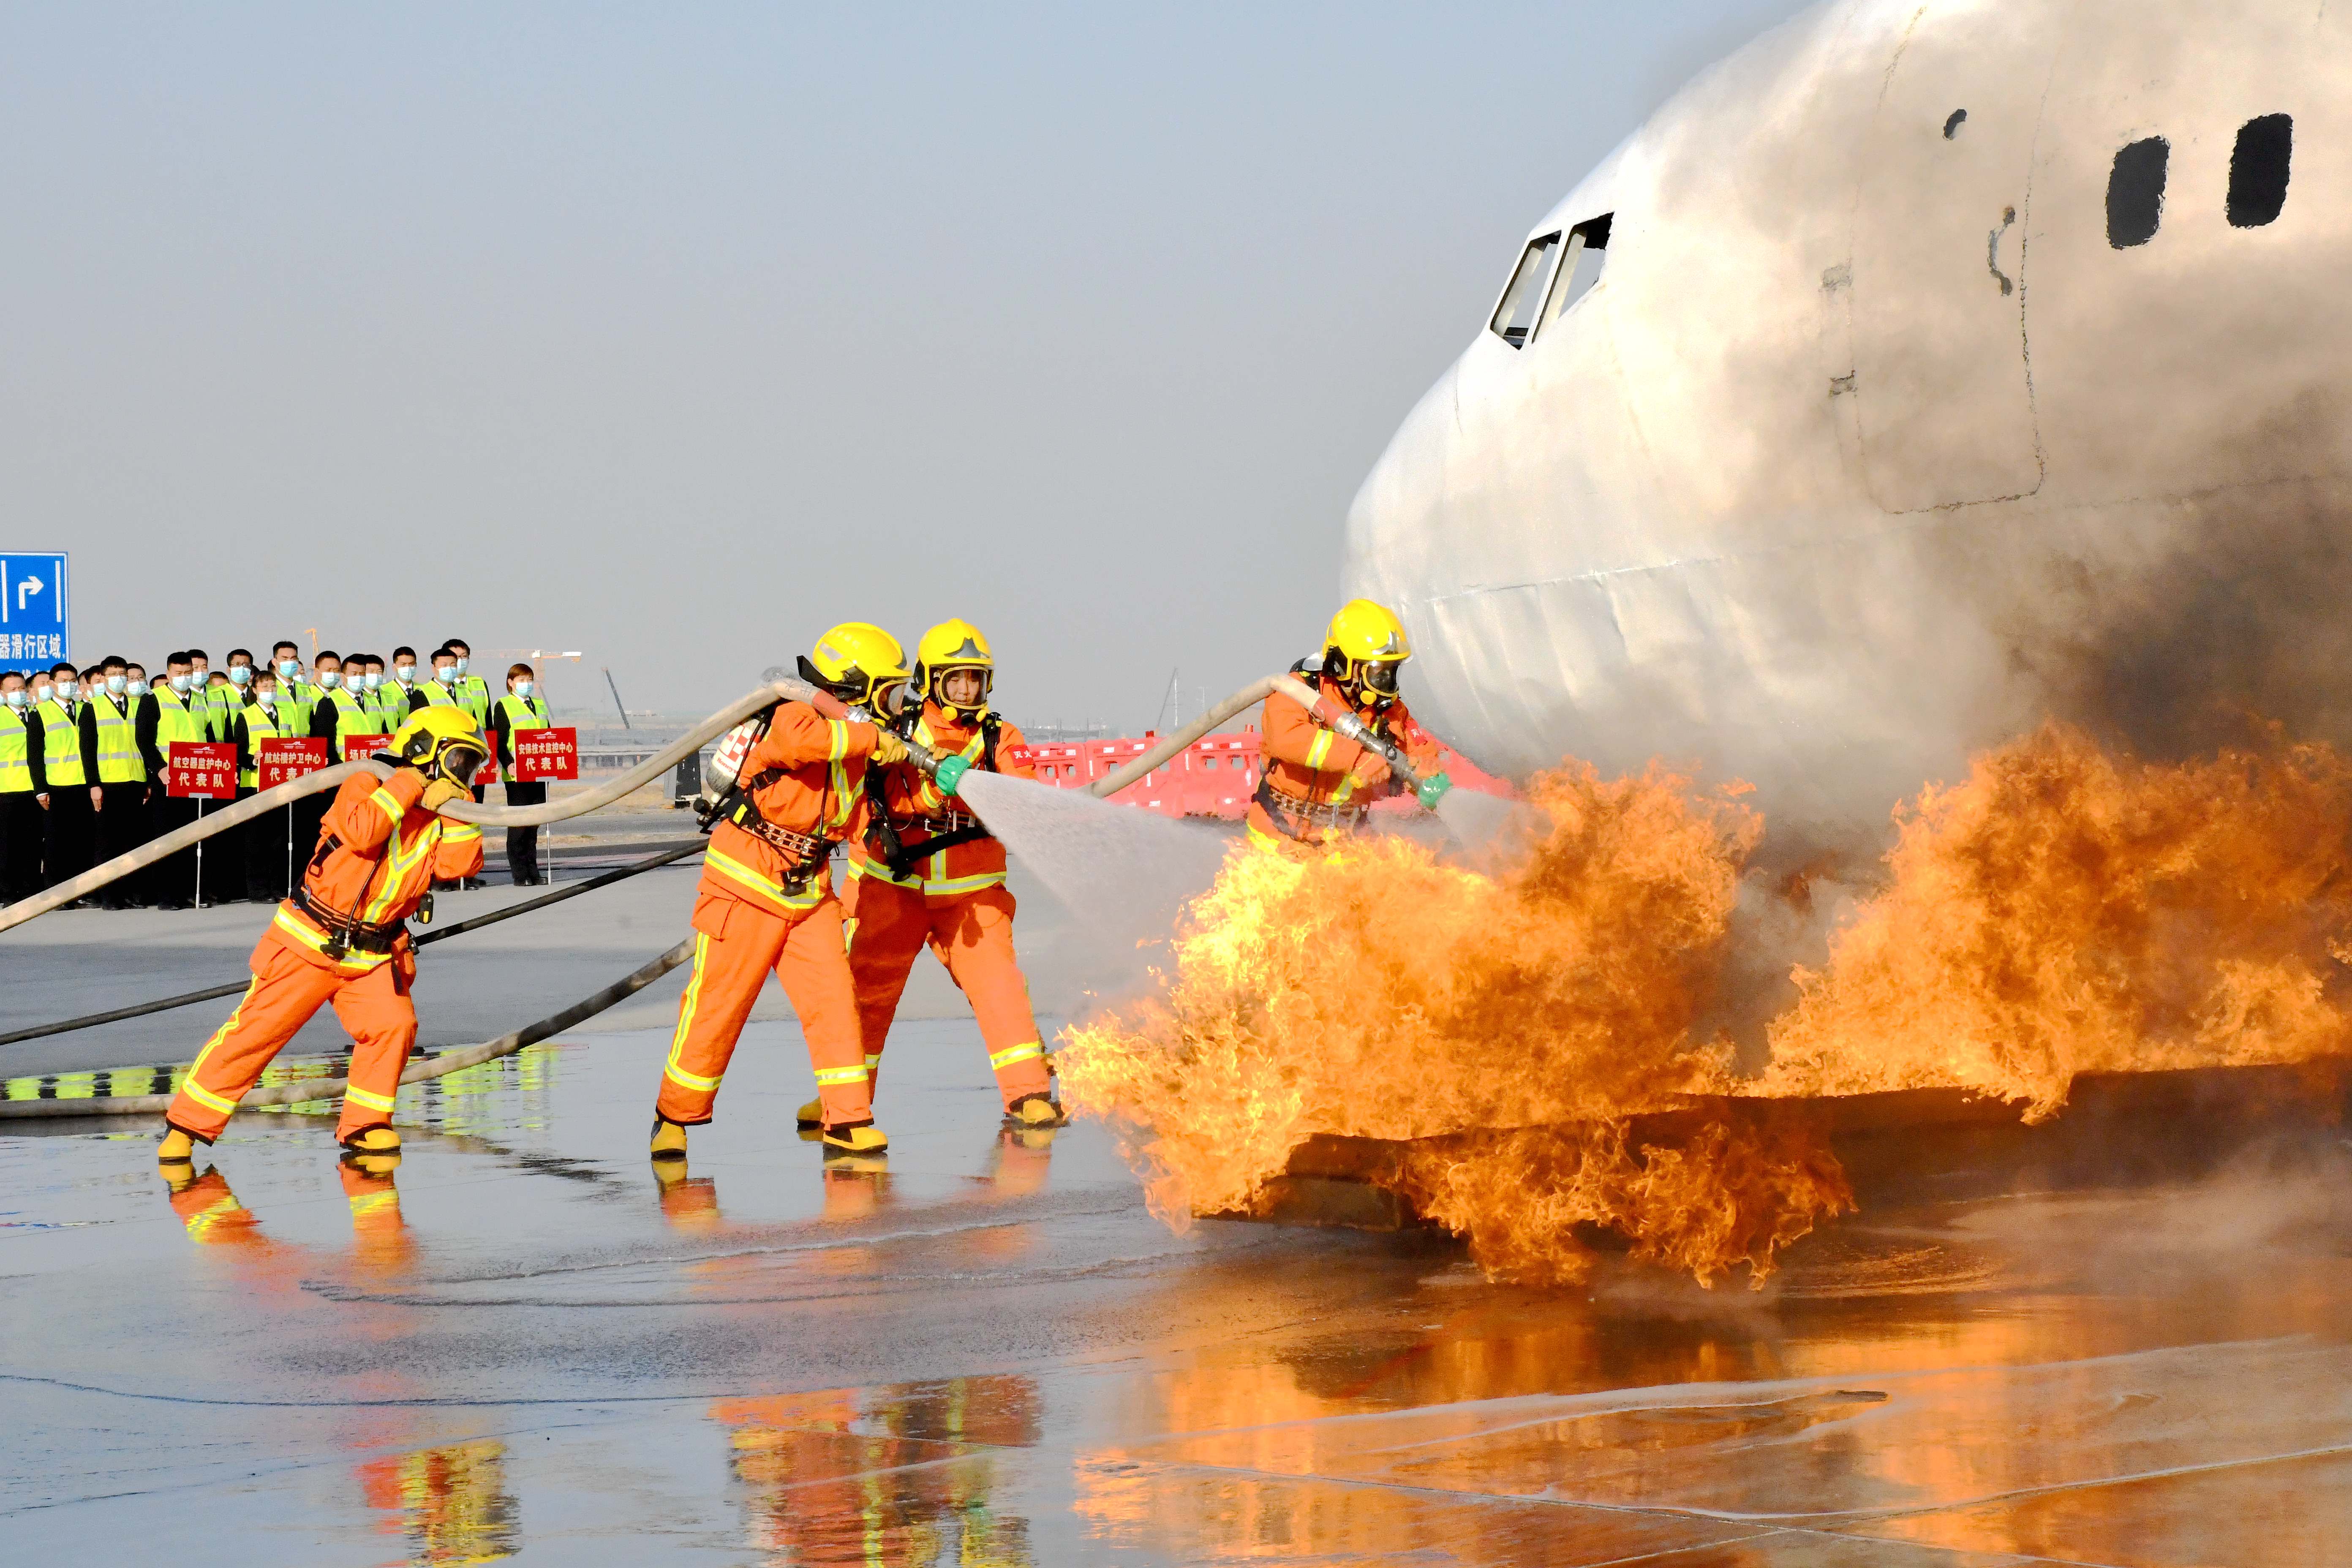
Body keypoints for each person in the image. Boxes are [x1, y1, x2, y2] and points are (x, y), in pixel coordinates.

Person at [155, 708, 487, 1164]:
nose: (462, 776)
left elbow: (459, 866)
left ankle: (367, 1125)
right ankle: (186, 1126)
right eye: (458, 763)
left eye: (469, 768)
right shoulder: (367, 782)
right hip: (310, 940)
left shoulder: (437, 814)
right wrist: (409, 783)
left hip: (372, 952)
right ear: (423, 750)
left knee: (394, 1026)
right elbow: (364, 832)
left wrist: (456, 809)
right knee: (256, 1034)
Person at [650, 623, 909, 1161]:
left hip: (809, 889)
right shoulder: (798, 713)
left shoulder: (860, 742)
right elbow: (803, 744)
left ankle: (849, 1120)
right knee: (719, 1007)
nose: (895, 703)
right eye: (888, 689)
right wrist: (872, 738)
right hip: (745, 884)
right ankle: (674, 1116)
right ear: (856, 686)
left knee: (836, 1003)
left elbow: (852, 814)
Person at [835, 618, 1059, 1131]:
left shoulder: (999, 735)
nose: (966, 689)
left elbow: (1023, 791)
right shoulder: (896, 730)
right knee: (866, 997)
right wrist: (935, 790)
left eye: (975, 679)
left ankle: (1027, 1093)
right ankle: (844, 1103)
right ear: (930, 680)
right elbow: (881, 793)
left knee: (1001, 990)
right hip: (894, 890)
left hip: (971, 899)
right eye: (955, 679)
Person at [1247, 599, 1447, 851]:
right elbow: (1286, 738)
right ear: (1345, 666)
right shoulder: (1298, 691)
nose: (1387, 683)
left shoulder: (1391, 713)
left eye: (1392, 672)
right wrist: (1356, 758)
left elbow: (1418, 750)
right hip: (1276, 837)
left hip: (1344, 843)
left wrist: (1430, 773)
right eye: (1379, 674)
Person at [80, 655, 152, 907]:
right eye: (113, 674)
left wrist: (148, 782)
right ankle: (109, 895)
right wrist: (94, 785)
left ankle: (133, 892)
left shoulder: (139, 705)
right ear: (103, 677)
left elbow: (146, 745)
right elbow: (87, 750)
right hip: (108, 783)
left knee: (133, 841)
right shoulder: (92, 707)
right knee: (107, 843)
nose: (120, 678)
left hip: (135, 779)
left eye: (123, 673)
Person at [149, 652, 210, 907]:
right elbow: (144, 739)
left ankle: (188, 891)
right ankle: (166, 896)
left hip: (196, 777)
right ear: (168, 674)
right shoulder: (154, 699)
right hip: (169, 776)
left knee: (192, 836)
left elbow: (207, 735)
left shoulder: (199, 699)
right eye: (179, 673)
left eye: (188, 673)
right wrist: (159, 768)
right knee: (168, 837)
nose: (184, 678)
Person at [30, 662, 95, 892]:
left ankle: (83, 890)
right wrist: (40, 789)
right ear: (51, 684)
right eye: (63, 681)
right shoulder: (41, 713)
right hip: (57, 787)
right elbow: (34, 755)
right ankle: (56, 890)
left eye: (72, 681)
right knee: (57, 842)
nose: (68, 686)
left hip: (83, 785)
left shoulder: (86, 709)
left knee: (83, 839)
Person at [235, 669, 297, 901]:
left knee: (279, 841)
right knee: (257, 840)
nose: (270, 691)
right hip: (256, 785)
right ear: (255, 690)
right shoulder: (246, 715)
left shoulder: (285, 714)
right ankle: (258, 891)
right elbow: (239, 750)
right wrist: (253, 758)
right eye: (264, 687)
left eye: (273, 687)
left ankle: (277, 886)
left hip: (282, 784)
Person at [488, 662, 550, 885]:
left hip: (539, 772)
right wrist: (508, 764)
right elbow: (500, 741)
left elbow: (550, 737)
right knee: (519, 825)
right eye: (522, 680)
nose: (527, 684)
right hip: (517, 775)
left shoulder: (540, 705)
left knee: (534, 825)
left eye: (530, 680)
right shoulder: (504, 705)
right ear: (511, 683)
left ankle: (534, 871)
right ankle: (520, 874)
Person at [0, 670, 39, 901]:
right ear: (3, 693)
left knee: (32, 843)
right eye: (13, 689)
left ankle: (30, 889)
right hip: (6, 789)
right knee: (7, 844)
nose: (19, 693)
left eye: (22, 688)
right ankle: (7, 892)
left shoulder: (36, 714)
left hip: (33, 789)